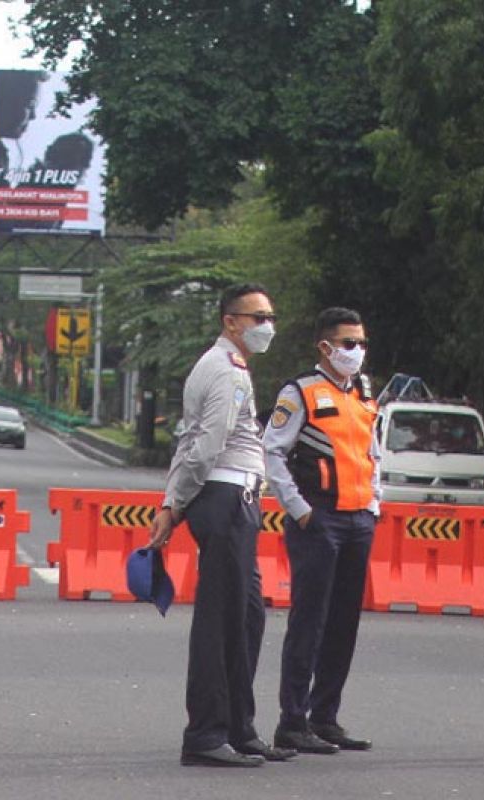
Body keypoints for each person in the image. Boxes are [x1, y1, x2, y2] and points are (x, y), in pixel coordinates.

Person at [147, 283, 293, 768]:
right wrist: (176, 502)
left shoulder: (224, 367)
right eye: (257, 317)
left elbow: (188, 440)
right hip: (226, 497)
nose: (266, 326)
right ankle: (206, 733)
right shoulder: (227, 372)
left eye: (269, 316)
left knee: (247, 615)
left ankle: (237, 726)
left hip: (234, 497)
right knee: (222, 620)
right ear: (231, 321)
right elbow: (207, 444)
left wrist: (173, 501)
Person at [263, 307, 380, 755]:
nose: (357, 352)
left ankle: (324, 717)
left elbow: (374, 453)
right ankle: (292, 722)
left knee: (343, 622)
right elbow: (273, 452)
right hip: (319, 518)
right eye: (349, 343)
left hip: (357, 518)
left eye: (362, 343)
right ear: (325, 347)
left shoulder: (365, 394)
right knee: (309, 621)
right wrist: (299, 509)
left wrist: (374, 502)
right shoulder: (300, 392)